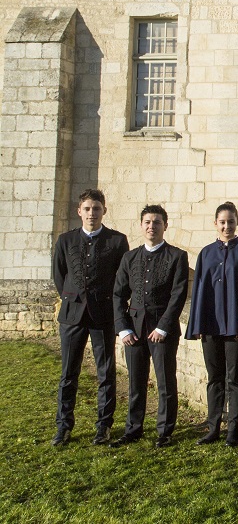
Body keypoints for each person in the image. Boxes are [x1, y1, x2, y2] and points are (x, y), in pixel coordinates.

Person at [51, 189, 129, 446]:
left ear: (104, 211)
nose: (91, 214)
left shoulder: (117, 241)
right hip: (72, 314)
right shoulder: (66, 240)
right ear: (79, 211)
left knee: (106, 372)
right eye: (87, 209)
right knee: (68, 373)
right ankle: (63, 426)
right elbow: (59, 275)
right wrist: (73, 297)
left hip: (103, 314)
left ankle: (104, 425)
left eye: (96, 209)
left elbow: (121, 279)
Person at [111, 204, 189, 447]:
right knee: (136, 382)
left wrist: (164, 327)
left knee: (165, 382)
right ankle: (133, 428)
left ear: (165, 226)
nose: (151, 227)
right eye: (147, 222)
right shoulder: (129, 257)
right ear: (141, 225)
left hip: (162, 330)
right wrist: (123, 328)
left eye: (156, 222)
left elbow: (178, 295)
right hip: (134, 329)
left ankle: (165, 431)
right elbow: (118, 295)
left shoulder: (177, 256)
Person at [185, 201, 238, 447]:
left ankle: (234, 429)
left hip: (235, 328)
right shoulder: (206, 253)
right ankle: (213, 427)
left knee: (235, 378)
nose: (226, 226)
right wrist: (197, 325)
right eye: (222, 222)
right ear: (215, 224)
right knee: (214, 377)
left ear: (237, 222)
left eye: (231, 221)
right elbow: (199, 291)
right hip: (210, 326)